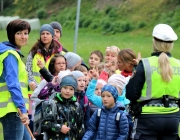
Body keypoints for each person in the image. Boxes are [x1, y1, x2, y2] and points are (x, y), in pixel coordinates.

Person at [126, 24, 180, 140]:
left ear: (154, 42)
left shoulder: (145, 64)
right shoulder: (179, 65)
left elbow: (131, 93)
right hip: (173, 118)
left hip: (148, 118)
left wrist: (135, 71)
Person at [0, 19, 31, 140]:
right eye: (18, 33)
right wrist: (22, 110)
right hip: (13, 109)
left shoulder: (9, 53)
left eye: (26, 33)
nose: (23, 37)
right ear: (11, 35)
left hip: (13, 108)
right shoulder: (10, 55)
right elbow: (13, 84)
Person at [39, 75, 85, 139]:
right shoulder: (53, 104)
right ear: (61, 88)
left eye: (71, 89)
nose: (67, 91)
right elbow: (44, 124)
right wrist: (59, 128)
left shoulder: (77, 106)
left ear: (74, 90)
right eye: (65, 88)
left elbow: (80, 127)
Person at [26, 24, 63, 88]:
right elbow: (28, 71)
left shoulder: (58, 53)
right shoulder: (33, 52)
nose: (45, 36)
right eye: (42, 34)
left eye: (47, 33)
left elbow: (60, 72)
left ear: (52, 36)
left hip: (52, 89)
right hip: (34, 89)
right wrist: (37, 86)